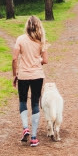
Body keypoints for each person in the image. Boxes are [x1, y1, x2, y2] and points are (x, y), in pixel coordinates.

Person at [12, 15, 49, 147]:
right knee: (35, 103)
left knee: (22, 101)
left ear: (27, 26)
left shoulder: (20, 39)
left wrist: (14, 75)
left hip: (23, 75)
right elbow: (45, 60)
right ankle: (33, 137)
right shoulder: (41, 41)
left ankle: (25, 127)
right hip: (37, 75)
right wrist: (37, 60)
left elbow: (14, 59)